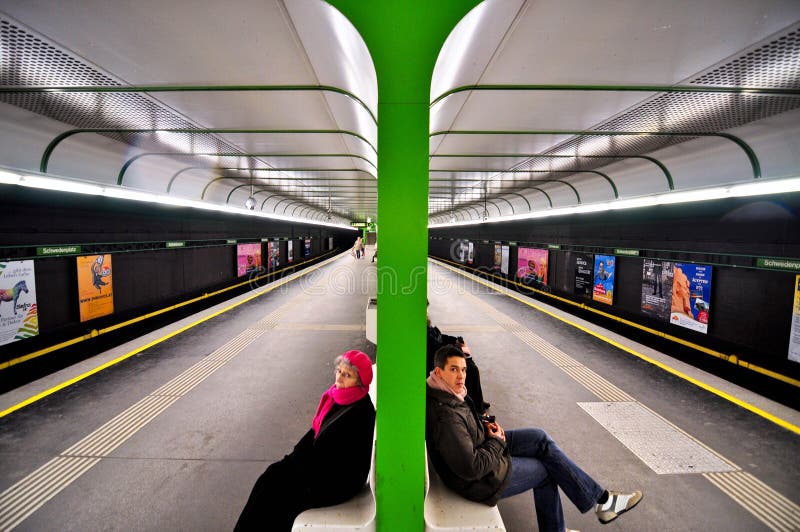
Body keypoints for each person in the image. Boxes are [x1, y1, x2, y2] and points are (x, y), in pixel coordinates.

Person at [426, 345, 642, 532]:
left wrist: (485, 426)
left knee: (540, 438)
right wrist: (497, 442)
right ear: (439, 371)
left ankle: (600, 501)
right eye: (454, 370)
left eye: (463, 370)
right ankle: (599, 504)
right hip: (479, 481)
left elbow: (465, 432)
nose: (461, 376)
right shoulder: (446, 415)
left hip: (483, 444)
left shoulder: (448, 393)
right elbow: (471, 467)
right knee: (547, 470)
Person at [234, 350, 375, 531]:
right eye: (339, 371)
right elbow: (315, 435)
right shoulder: (339, 398)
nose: (339, 378)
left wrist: (296, 468)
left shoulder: (360, 413)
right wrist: (291, 461)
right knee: (270, 477)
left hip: (336, 482)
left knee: (278, 496)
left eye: (347, 375)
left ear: (360, 382)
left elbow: (332, 456)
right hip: (321, 470)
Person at [426, 305, 489, 415]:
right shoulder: (422, 327)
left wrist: (455, 340)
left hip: (438, 354)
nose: (427, 311)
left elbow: (440, 337)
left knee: (469, 366)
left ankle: (478, 401)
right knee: (472, 370)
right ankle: (479, 410)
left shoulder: (426, 325)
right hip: (436, 360)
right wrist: (460, 349)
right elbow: (436, 347)